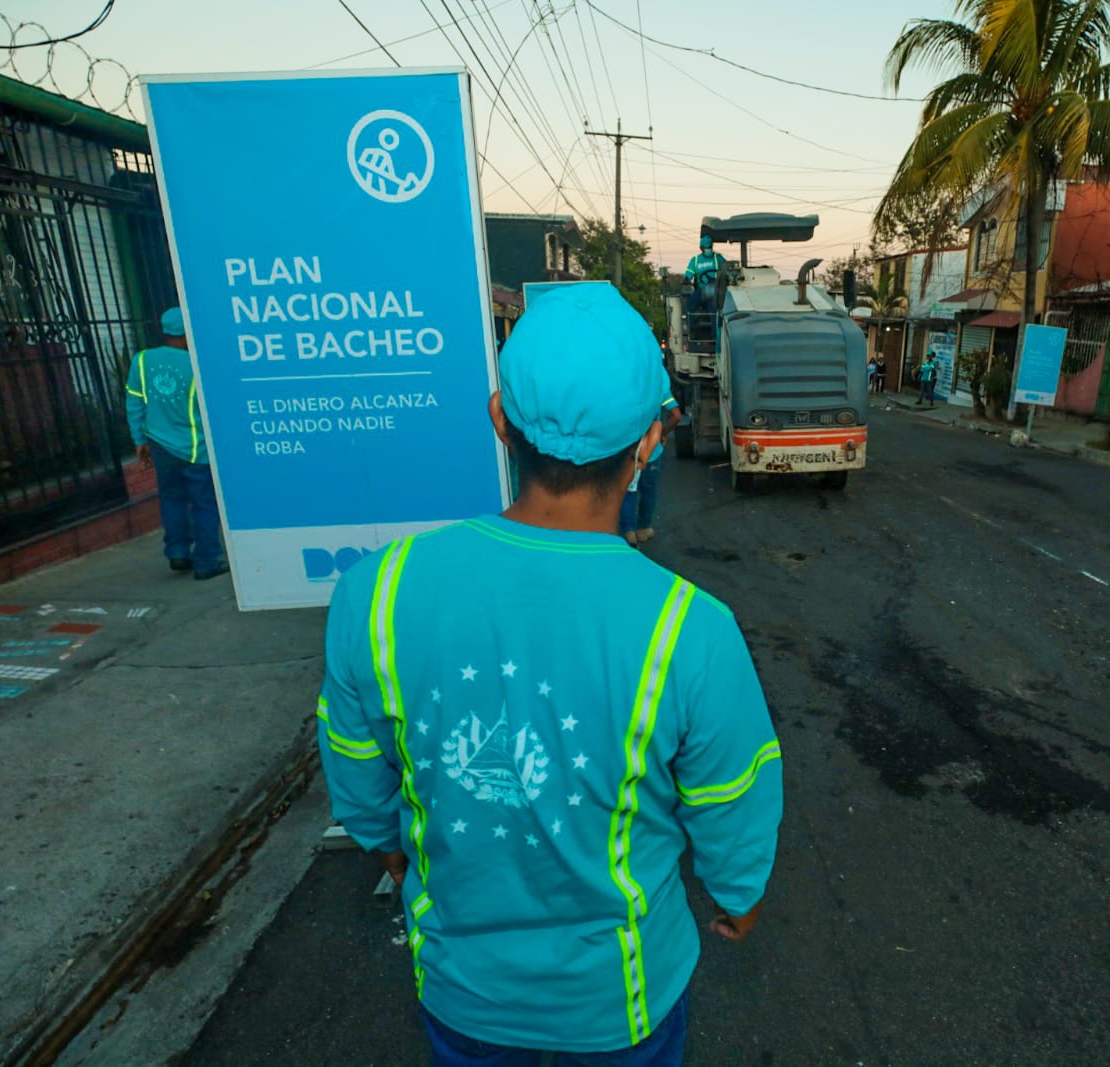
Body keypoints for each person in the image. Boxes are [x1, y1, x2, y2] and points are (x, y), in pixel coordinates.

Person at [317, 284, 782, 1066]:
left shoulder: (377, 590)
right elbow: (732, 792)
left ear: (499, 419)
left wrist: (382, 841)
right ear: (651, 442)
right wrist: (740, 894)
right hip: (622, 1002)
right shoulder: (690, 628)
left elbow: (356, 757)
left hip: (463, 993)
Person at [124, 307, 227, 581]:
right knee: (204, 503)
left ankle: (178, 551)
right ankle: (206, 561)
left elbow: (134, 401)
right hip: (197, 447)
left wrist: (138, 440)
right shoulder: (199, 363)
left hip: (160, 446)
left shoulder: (142, 360)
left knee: (171, 498)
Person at [620, 378, 683, 546]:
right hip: (652, 450)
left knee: (629, 488)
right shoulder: (658, 379)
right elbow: (676, 415)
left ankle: (628, 530)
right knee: (649, 490)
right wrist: (662, 433)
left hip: (628, 447)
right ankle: (643, 528)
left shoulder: (625, 378)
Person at [683, 235, 726, 318]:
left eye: (709, 247)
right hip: (702, 290)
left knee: (714, 308)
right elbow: (688, 276)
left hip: (717, 289)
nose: (708, 249)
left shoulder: (718, 258)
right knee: (690, 305)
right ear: (701, 248)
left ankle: (715, 327)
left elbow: (727, 270)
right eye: (707, 247)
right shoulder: (695, 260)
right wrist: (686, 279)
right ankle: (693, 325)